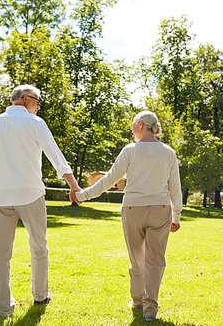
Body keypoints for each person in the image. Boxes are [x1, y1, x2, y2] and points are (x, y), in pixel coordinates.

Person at [0, 84, 80, 319]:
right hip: (30, 195)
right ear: (25, 99)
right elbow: (56, 156)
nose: (38, 105)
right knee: (38, 248)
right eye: (37, 100)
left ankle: (3, 308)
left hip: (0, 197)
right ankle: (40, 295)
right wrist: (73, 185)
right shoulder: (36, 123)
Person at [73, 111, 182, 322]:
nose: (132, 130)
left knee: (137, 259)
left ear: (141, 125)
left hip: (133, 209)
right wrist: (176, 215)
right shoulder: (168, 152)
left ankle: (138, 300)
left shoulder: (130, 150)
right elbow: (175, 187)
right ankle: (150, 309)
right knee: (155, 260)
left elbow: (108, 180)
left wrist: (83, 195)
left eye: (133, 126)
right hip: (160, 209)